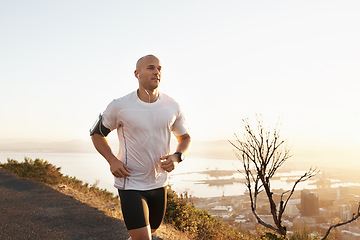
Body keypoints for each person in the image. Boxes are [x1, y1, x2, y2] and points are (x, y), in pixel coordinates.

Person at [90, 54, 191, 240]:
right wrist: (112, 160)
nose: (157, 72)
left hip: (159, 183)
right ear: (137, 74)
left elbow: (185, 138)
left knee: (150, 232)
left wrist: (177, 157)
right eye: (151, 68)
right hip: (130, 182)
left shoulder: (172, 106)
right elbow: (96, 134)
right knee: (143, 238)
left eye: (159, 68)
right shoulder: (120, 106)